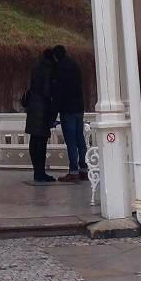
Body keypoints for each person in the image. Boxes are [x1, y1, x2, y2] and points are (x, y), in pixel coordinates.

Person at [51, 45, 88, 182]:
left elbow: (58, 93)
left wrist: (53, 113)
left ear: (56, 56)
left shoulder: (59, 69)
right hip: (79, 108)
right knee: (80, 139)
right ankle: (84, 169)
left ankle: (73, 171)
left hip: (67, 109)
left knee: (71, 141)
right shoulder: (75, 65)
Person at [22, 48, 57, 182]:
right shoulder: (48, 69)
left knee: (34, 140)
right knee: (41, 142)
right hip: (42, 109)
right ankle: (40, 172)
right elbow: (47, 91)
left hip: (32, 107)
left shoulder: (36, 67)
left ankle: (37, 171)